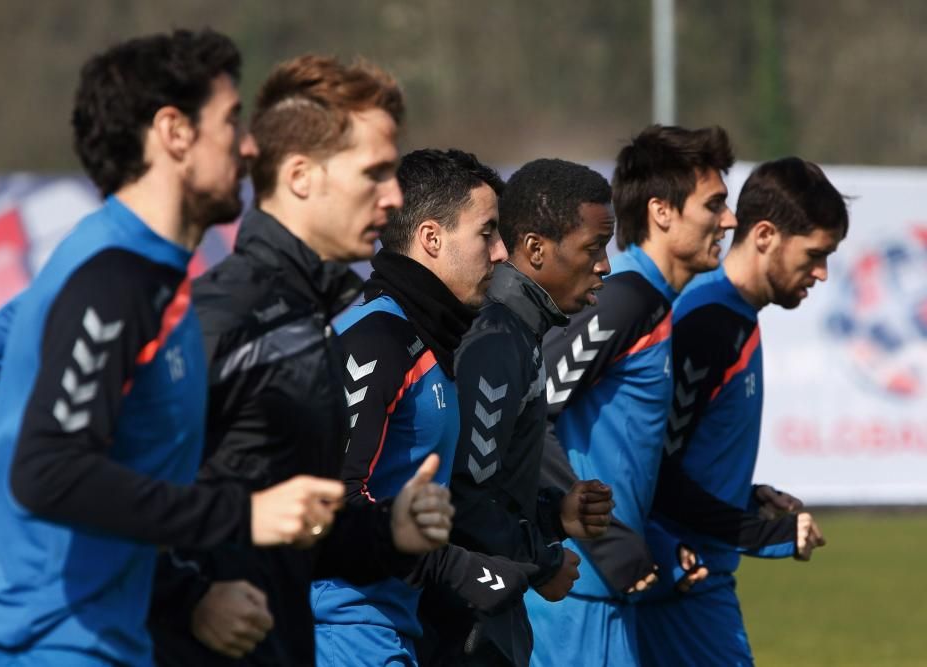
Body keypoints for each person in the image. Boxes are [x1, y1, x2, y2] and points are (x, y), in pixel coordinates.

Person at [0, 30, 347, 667]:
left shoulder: (127, 266)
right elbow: (48, 471)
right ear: (174, 132)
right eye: (231, 119)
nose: (247, 144)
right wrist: (243, 514)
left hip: (104, 636)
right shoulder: (113, 278)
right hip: (47, 644)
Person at [148, 56, 457, 667]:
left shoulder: (314, 313)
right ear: (299, 176)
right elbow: (100, 490)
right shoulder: (221, 314)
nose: (393, 198)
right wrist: (192, 598)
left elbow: (292, 532)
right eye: (374, 174)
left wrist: (389, 533)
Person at [526, 125, 737, 666]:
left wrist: (654, 540)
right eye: (714, 204)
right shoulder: (625, 302)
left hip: (601, 591)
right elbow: (523, 412)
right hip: (575, 593)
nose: (729, 221)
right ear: (662, 212)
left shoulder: (653, 305)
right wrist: (610, 540)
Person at [637, 156, 842, 666]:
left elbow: (682, 455)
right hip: (683, 581)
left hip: (694, 577)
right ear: (766, 234)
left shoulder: (734, 316)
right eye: (815, 254)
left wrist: (747, 497)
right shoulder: (708, 322)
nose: (821, 272)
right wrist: (766, 534)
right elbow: (654, 475)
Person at [310, 148, 512, 666]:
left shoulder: (426, 342)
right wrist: (454, 569)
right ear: (431, 238)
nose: (501, 253)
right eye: (487, 233)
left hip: (391, 626)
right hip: (340, 630)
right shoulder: (377, 339)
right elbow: (330, 501)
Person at [420, 158, 618, 666]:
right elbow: (465, 497)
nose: (605, 266)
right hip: (460, 626)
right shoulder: (495, 337)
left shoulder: (517, 333)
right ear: (534, 248)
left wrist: (556, 512)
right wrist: (543, 561)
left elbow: (492, 486)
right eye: (593, 248)